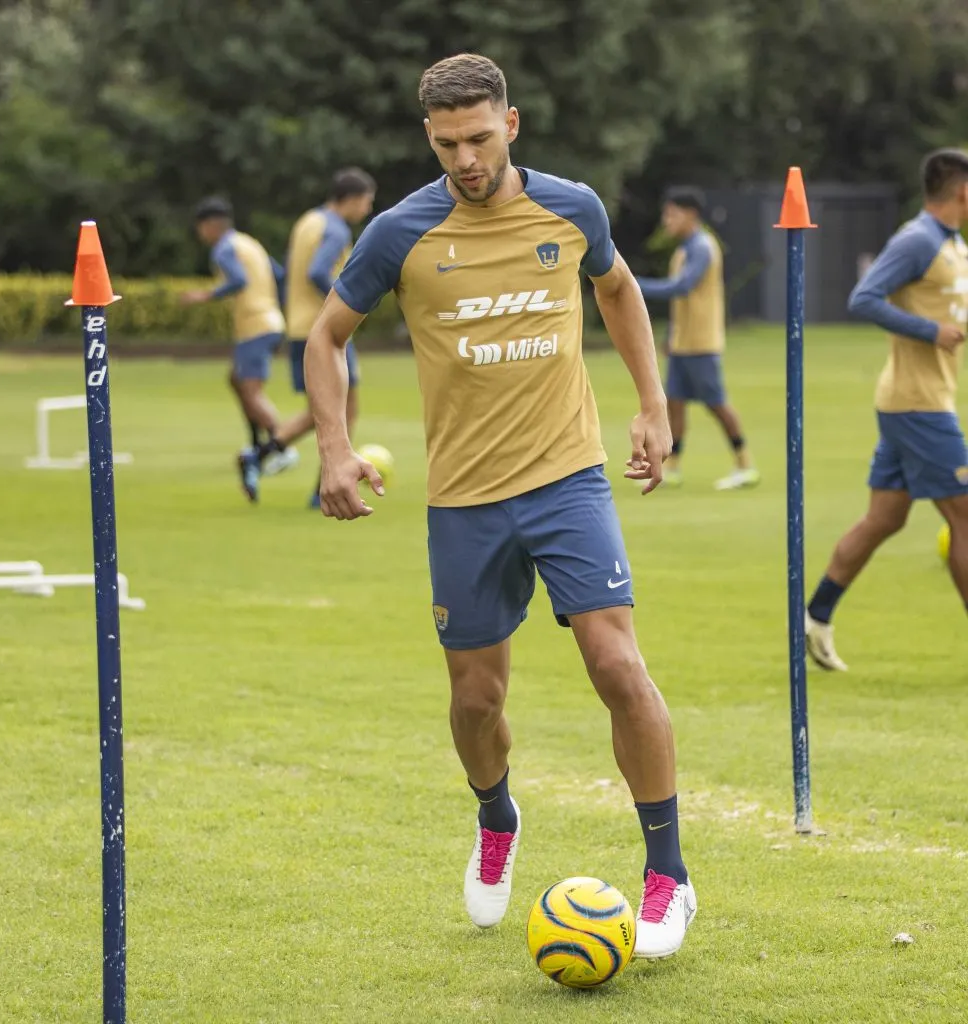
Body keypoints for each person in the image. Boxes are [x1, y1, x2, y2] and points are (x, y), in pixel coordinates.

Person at [303, 53, 696, 958]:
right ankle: (496, 814)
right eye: (446, 144)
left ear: (511, 125)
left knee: (617, 665)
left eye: (479, 138)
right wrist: (333, 447)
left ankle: (669, 876)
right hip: (465, 500)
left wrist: (651, 404)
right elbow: (326, 339)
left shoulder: (573, 208)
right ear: (428, 139)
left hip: (568, 478)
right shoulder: (402, 232)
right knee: (475, 699)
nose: (465, 159)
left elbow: (618, 288)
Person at [806, 148, 968, 671]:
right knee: (964, 516)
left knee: (884, 518)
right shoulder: (917, 239)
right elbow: (864, 297)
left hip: (915, 401)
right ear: (961, 191)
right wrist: (932, 332)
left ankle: (816, 617)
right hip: (918, 406)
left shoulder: (952, 243)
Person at [237, 168, 376, 506]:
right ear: (354, 199)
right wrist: (348, 303)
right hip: (327, 328)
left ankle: (260, 455)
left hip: (300, 326)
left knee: (322, 408)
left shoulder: (308, 221)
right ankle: (324, 489)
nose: (367, 211)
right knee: (345, 408)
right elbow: (317, 272)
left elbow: (290, 273)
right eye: (367, 202)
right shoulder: (336, 228)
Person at [633, 188, 759, 490]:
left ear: (690, 214)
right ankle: (672, 467)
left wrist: (632, 285)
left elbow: (683, 287)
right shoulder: (683, 249)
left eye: (672, 214)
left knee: (716, 404)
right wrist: (670, 336)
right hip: (682, 344)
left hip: (702, 344)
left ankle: (745, 464)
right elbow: (681, 302)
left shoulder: (702, 246)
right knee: (674, 404)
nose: (667, 221)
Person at [181, 197, 298, 486]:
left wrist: (204, 295)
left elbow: (238, 280)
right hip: (270, 322)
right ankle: (257, 442)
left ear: (209, 226)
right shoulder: (249, 243)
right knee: (237, 380)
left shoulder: (223, 249)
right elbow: (280, 275)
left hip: (254, 326)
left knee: (252, 390)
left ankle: (282, 445)